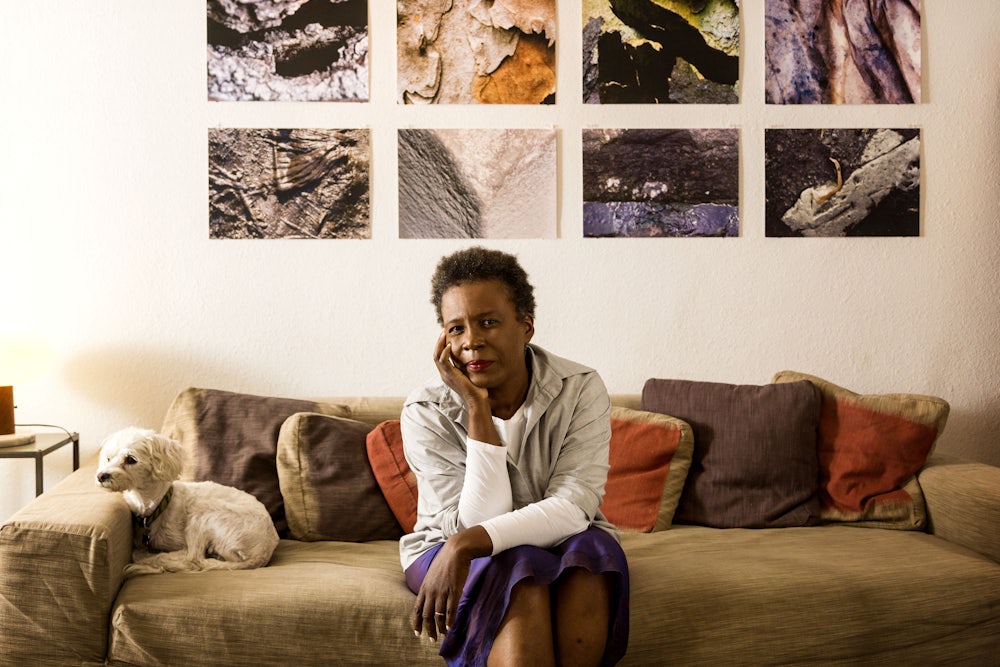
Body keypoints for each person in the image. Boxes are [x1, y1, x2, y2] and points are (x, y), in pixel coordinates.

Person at [400, 246, 629, 667]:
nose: (471, 341)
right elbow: (473, 518)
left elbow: (574, 505)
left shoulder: (578, 387)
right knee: (520, 565)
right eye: (456, 329)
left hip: (540, 537)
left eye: (488, 322)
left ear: (526, 327)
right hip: (440, 546)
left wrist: (464, 545)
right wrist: (475, 407)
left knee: (594, 551)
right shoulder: (426, 411)